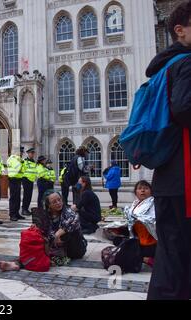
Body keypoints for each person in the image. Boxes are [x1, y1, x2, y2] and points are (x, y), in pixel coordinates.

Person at [146, 1, 191, 300]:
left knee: (171, 256)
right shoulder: (186, 62)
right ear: (180, 30)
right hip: (184, 177)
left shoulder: (161, 67)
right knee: (178, 258)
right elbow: (185, 108)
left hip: (166, 176)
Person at [0, 190, 87, 271]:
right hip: (55, 247)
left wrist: (57, 235)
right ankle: (15, 264)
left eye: (59, 200)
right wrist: (36, 229)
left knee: (69, 233)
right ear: (49, 205)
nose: (58, 203)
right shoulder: (45, 216)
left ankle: (51, 257)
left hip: (75, 248)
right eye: (54, 202)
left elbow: (70, 223)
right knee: (36, 249)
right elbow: (44, 232)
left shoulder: (69, 212)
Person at [125, 180, 157, 267]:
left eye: (146, 188)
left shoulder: (154, 204)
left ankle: (146, 259)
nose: (142, 190)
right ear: (136, 192)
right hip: (138, 239)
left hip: (151, 242)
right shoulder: (135, 204)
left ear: (151, 191)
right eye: (140, 188)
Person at [7, 146, 26, 221]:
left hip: (18, 179)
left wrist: (22, 163)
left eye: (22, 152)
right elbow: (17, 168)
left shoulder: (19, 159)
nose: (21, 153)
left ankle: (17, 213)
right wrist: (21, 163)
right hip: (13, 179)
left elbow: (23, 170)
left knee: (18, 198)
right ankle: (12, 214)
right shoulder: (12, 158)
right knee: (13, 198)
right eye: (20, 152)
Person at [21, 148, 37, 216]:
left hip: (31, 180)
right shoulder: (25, 161)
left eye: (33, 153)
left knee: (29, 196)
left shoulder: (34, 162)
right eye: (31, 153)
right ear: (28, 153)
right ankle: (24, 209)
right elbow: (22, 170)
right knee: (26, 195)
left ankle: (26, 209)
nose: (32, 154)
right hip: (26, 179)